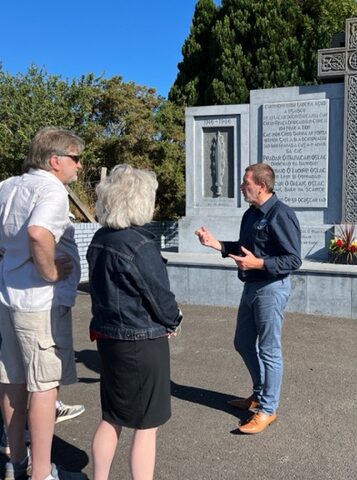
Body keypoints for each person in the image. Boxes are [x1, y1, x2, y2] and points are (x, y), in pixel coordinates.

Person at [86, 164, 182, 480]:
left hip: (108, 336)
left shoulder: (100, 239)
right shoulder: (139, 244)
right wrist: (173, 320)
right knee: (145, 425)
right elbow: (159, 295)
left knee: (111, 417)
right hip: (141, 339)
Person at [0, 127, 84, 480]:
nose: (79, 166)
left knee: (12, 381)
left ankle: (16, 461)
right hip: (38, 303)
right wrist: (48, 271)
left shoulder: (8, 185)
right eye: (76, 159)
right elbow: (38, 232)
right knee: (44, 387)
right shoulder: (52, 190)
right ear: (56, 161)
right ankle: (42, 473)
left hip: (7, 296)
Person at [196, 163, 301, 434]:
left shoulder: (281, 214)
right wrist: (216, 244)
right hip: (251, 287)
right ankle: (258, 394)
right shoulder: (250, 214)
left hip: (271, 288)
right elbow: (245, 250)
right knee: (242, 342)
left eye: (246, 183)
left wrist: (260, 264)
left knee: (269, 350)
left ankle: (267, 409)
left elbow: (293, 259)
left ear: (261, 186)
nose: (243, 187)